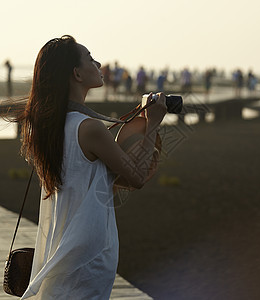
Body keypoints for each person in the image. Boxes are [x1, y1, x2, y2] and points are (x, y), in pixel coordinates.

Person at [14, 35, 166, 299]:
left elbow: (96, 183)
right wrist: (152, 122)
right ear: (77, 74)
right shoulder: (90, 127)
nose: (98, 63)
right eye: (90, 58)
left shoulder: (48, 127)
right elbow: (137, 178)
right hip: (88, 253)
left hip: (62, 246)